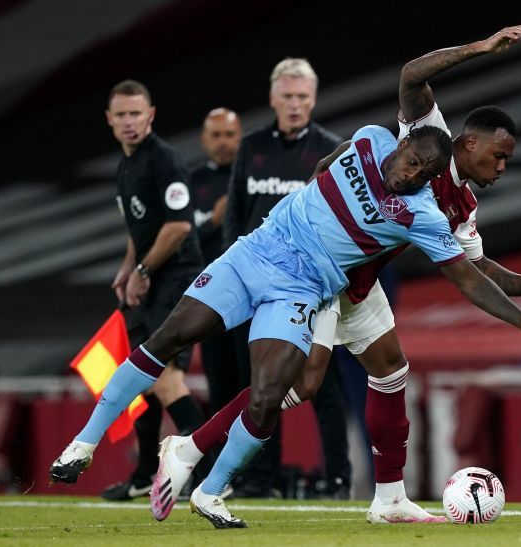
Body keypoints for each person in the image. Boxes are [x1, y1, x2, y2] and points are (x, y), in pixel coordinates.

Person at [150, 25, 521, 526]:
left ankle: (388, 498)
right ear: (469, 143)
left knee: (390, 372)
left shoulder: (462, 208)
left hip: (358, 285)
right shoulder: (428, 135)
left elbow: (476, 269)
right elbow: (410, 76)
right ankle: (189, 448)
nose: (503, 167)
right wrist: (479, 49)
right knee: (303, 382)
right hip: (320, 271)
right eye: (499, 155)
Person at [49, 80, 210, 500]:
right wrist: (127, 268)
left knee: (165, 378)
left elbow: (177, 226)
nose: (129, 122)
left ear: (150, 115)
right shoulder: (126, 165)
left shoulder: (164, 161)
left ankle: (213, 470)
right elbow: (139, 228)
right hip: (150, 277)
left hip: (175, 277)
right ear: (109, 119)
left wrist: (141, 270)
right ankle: (143, 475)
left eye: (136, 113)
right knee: (142, 376)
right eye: (121, 115)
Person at [222, 58, 351, 499]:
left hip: (310, 287)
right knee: (259, 385)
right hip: (255, 284)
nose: (295, 105)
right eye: (288, 96)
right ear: (273, 98)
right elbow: (235, 216)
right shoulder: (251, 147)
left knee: (324, 386)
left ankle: (338, 480)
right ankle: (261, 478)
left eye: (302, 97)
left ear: (313, 99)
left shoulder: (332, 151)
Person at [190, 108, 243, 414]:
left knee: (256, 388)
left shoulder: (251, 179)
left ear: (240, 138)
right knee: (220, 386)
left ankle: (262, 463)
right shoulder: (192, 183)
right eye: (216, 135)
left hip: (251, 297)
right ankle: (220, 459)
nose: (223, 142)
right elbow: (180, 243)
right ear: (204, 140)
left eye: (230, 135)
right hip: (210, 301)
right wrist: (213, 221)